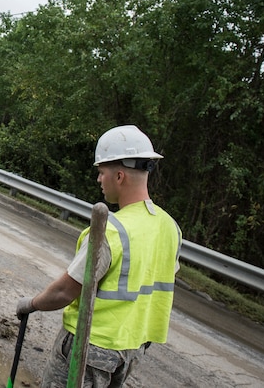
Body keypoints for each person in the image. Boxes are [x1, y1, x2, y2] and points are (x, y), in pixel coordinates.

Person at [16, 125, 182, 387]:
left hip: (90, 349)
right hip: (131, 351)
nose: (98, 180)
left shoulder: (111, 230)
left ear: (119, 176)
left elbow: (64, 291)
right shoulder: (169, 226)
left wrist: (31, 304)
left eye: (101, 173)